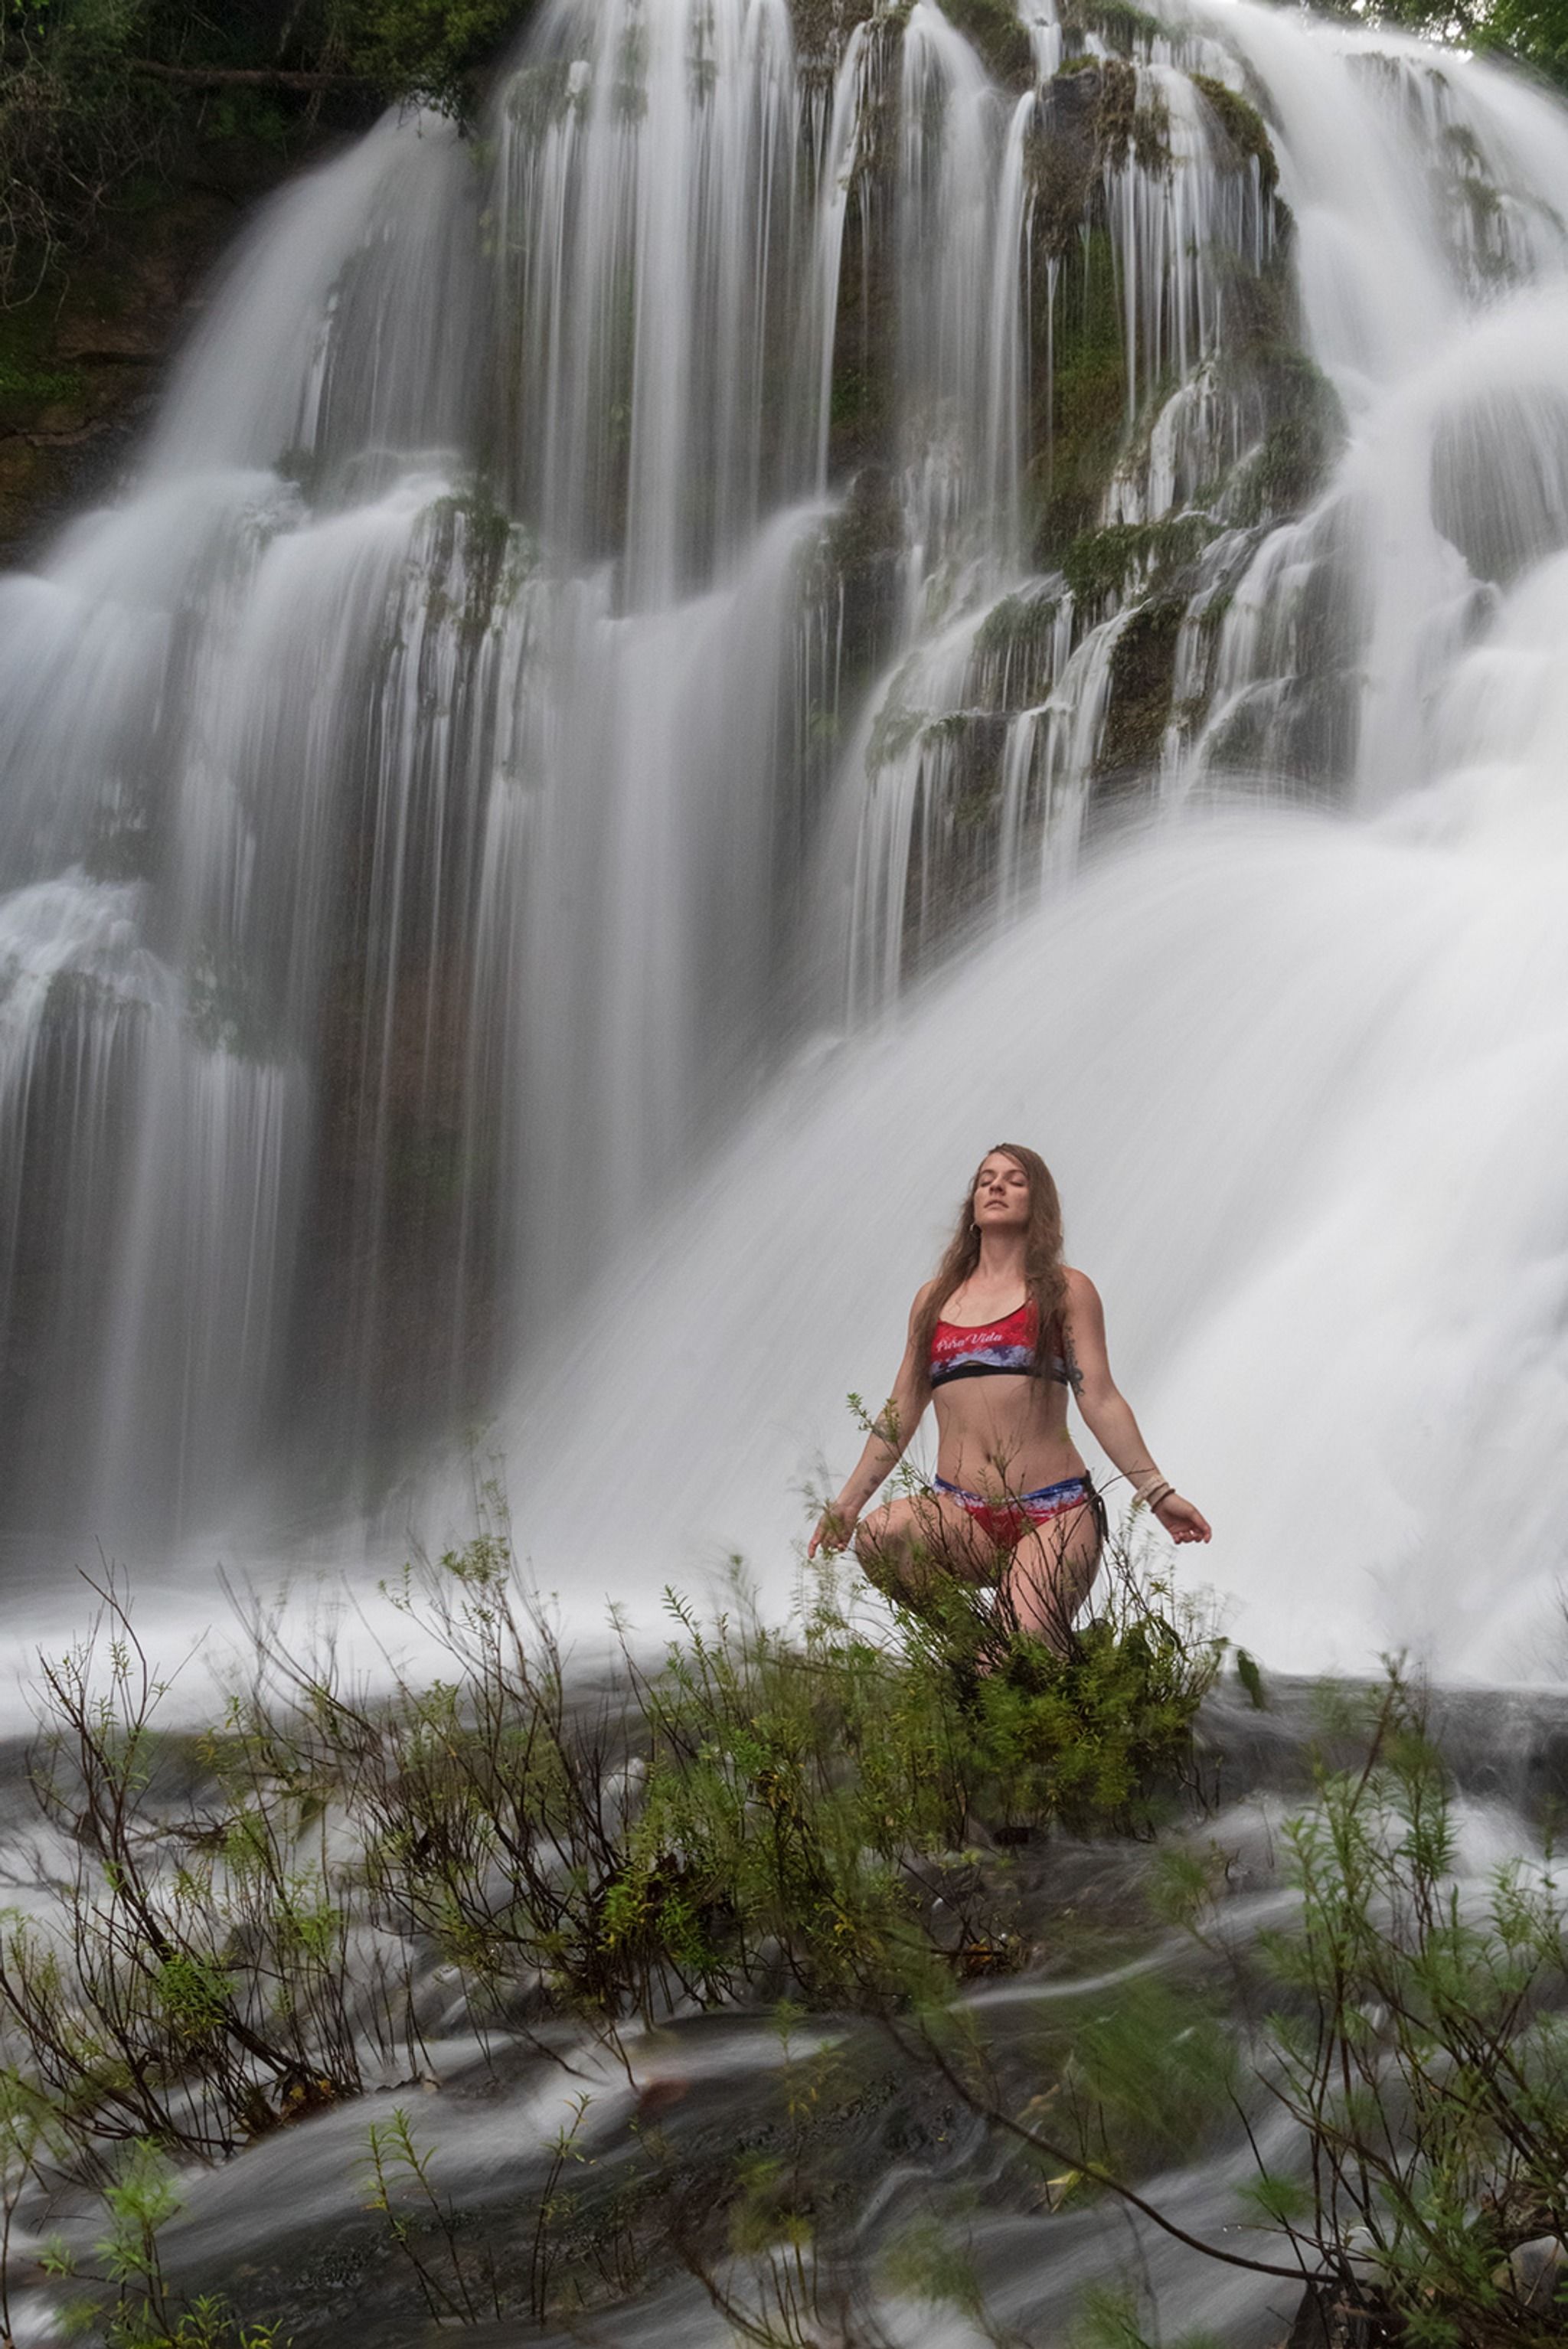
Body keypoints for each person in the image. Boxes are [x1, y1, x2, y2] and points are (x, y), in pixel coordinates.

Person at [808, 1144, 1210, 1652]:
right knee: (879, 1538)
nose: (996, 1187)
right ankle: (977, 1653)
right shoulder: (934, 1301)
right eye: (986, 1180)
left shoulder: (1065, 1292)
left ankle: (1023, 1658)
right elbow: (901, 1409)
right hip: (960, 1516)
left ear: (1037, 1203)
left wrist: (1157, 1493)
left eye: (1015, 1180)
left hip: (1054, 1513)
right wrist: (848, 1504)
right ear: (972, 1207)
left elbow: (1101, 1400)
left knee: (1020, 1653)